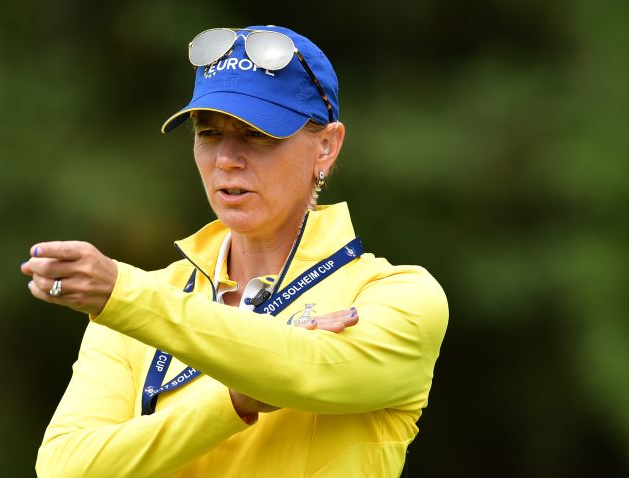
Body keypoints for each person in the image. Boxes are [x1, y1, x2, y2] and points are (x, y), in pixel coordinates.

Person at [22, 25, 448, 477]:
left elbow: (310, 369)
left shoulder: (398, 296)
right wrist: (231, 402)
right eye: (208, 133)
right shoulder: (138, 306)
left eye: (256, 135)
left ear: (326, 146)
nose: (226, 158)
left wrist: (123, 295)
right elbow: (65, 468)